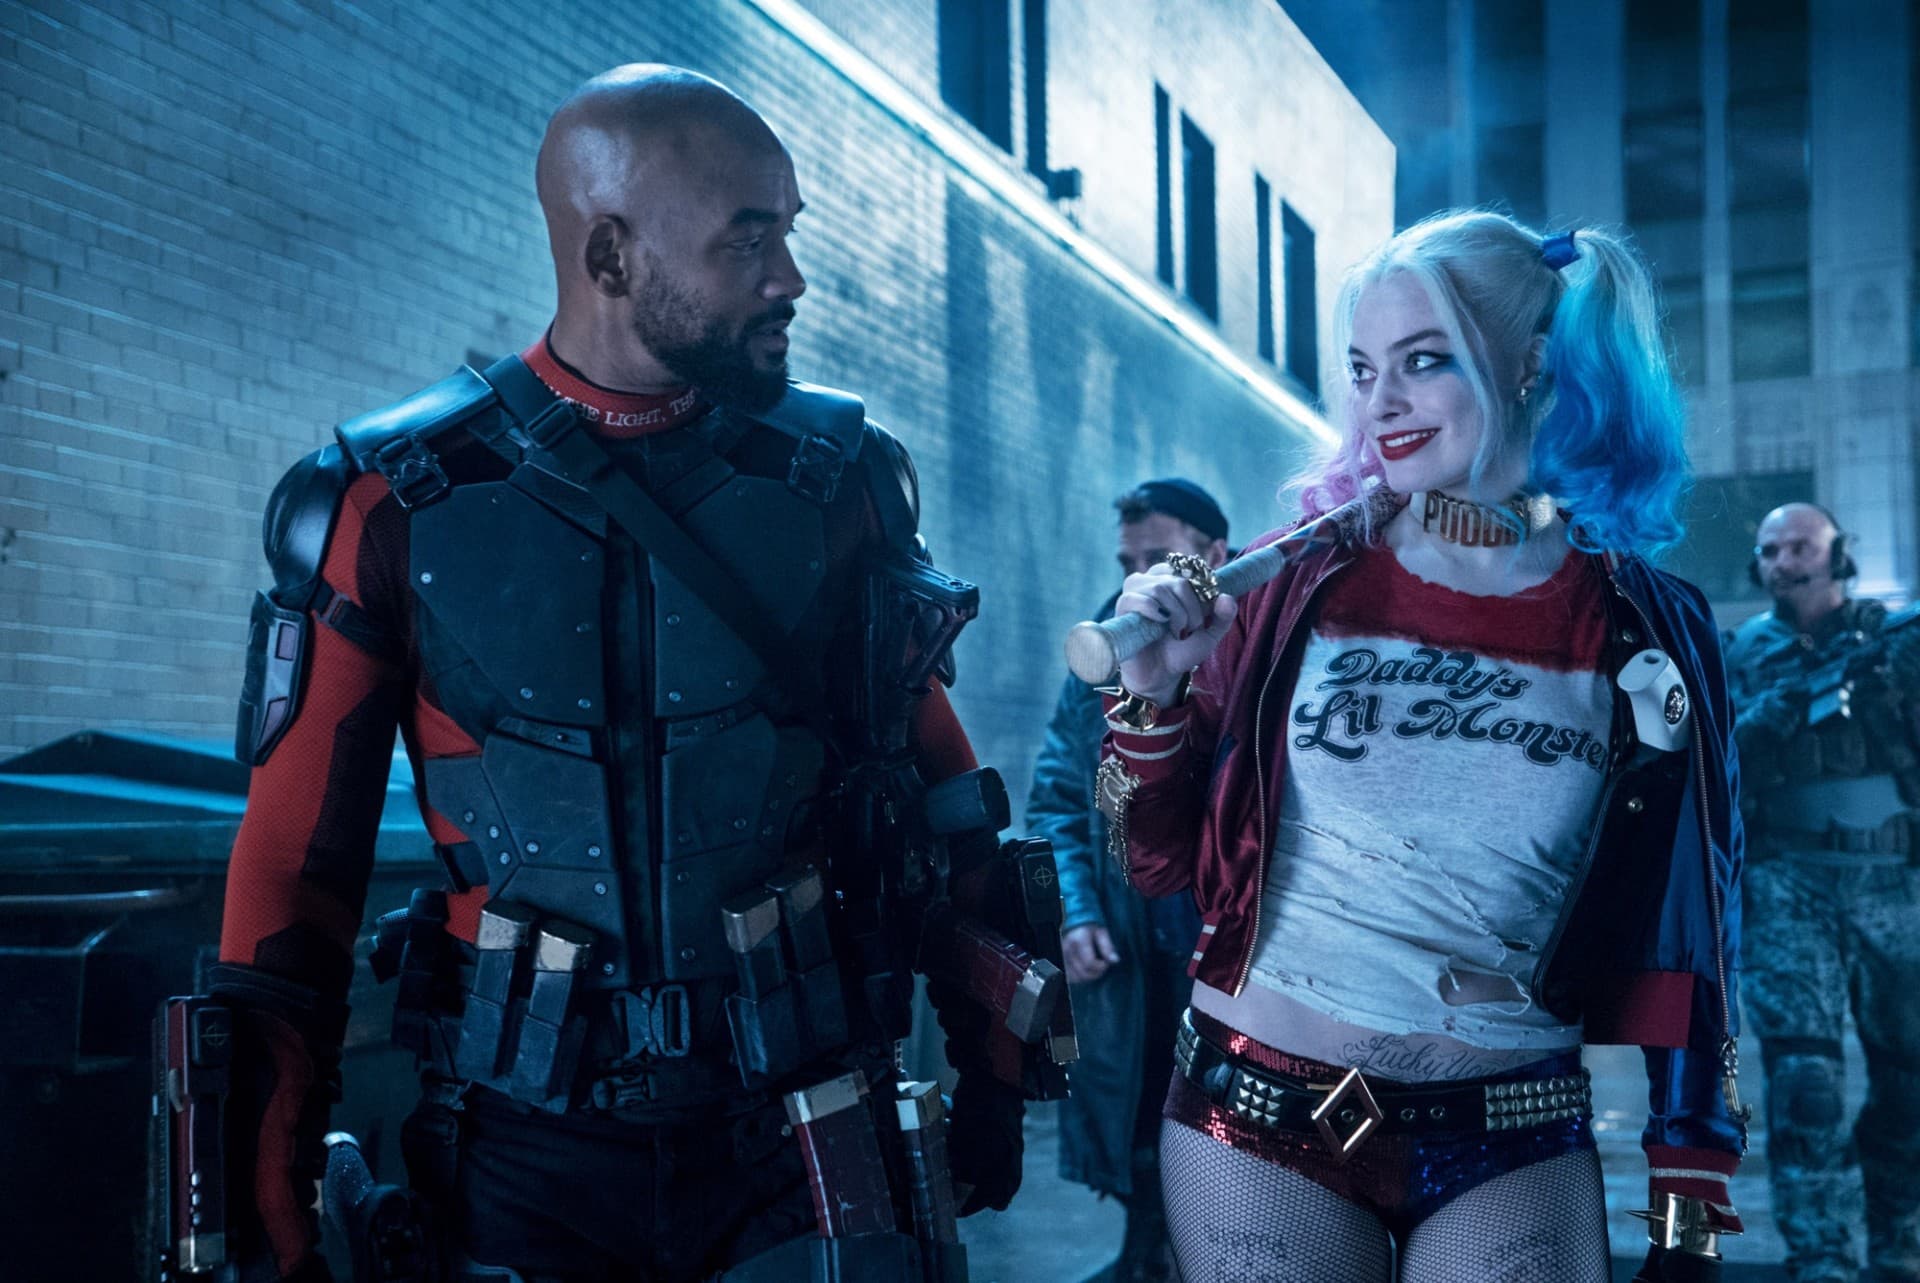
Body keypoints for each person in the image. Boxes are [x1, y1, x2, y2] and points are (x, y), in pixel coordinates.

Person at [204, 65, 1031, 1283]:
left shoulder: (842, 478)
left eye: (789, 233)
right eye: (748, 239)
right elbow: (293, 863)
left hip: (803, 1135)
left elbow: (946, 796)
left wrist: (998, 1076)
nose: (790, 278)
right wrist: (262, 1194)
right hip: (513, 1149)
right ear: (609, 254)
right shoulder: (385, 500)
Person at [1095, 212, 1748, 1283]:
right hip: (1259, 1117)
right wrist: (1151, 697)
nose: (1380, 404)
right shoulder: (1292, 581)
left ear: (1532, 363)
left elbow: (1700, 914)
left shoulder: (1649, 621)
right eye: (1362, 369)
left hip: (1513, 1126)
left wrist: (1692, 1203)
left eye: (1424, 360)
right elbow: (1153, 860)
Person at [1027, 478, 1228, 1283]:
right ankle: (1152, 1252)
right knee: (1139, 1105)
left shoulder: (1253, 642)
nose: (1140, 578)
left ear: (1215, 554)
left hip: (1220, 939)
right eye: (1129, 561)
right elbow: (1058, 793)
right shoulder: (1104, 647)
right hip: (1131, 942)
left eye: (1162, 557)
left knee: (1224, 1114)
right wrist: (1074, 910)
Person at [1723, 502, 1920, 1283]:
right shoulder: (1740, 653)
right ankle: (1822, 1256)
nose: (1785, 560)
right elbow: (1705, 760)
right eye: (1771, 549)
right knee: (1805, 1082)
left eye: (1801, 545)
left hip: (1893, 879)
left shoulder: (1894, 641)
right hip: (1786, 883)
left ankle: (1896, 1236)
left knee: (1909, 1076)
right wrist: (1771, 714)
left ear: (1839, 552)